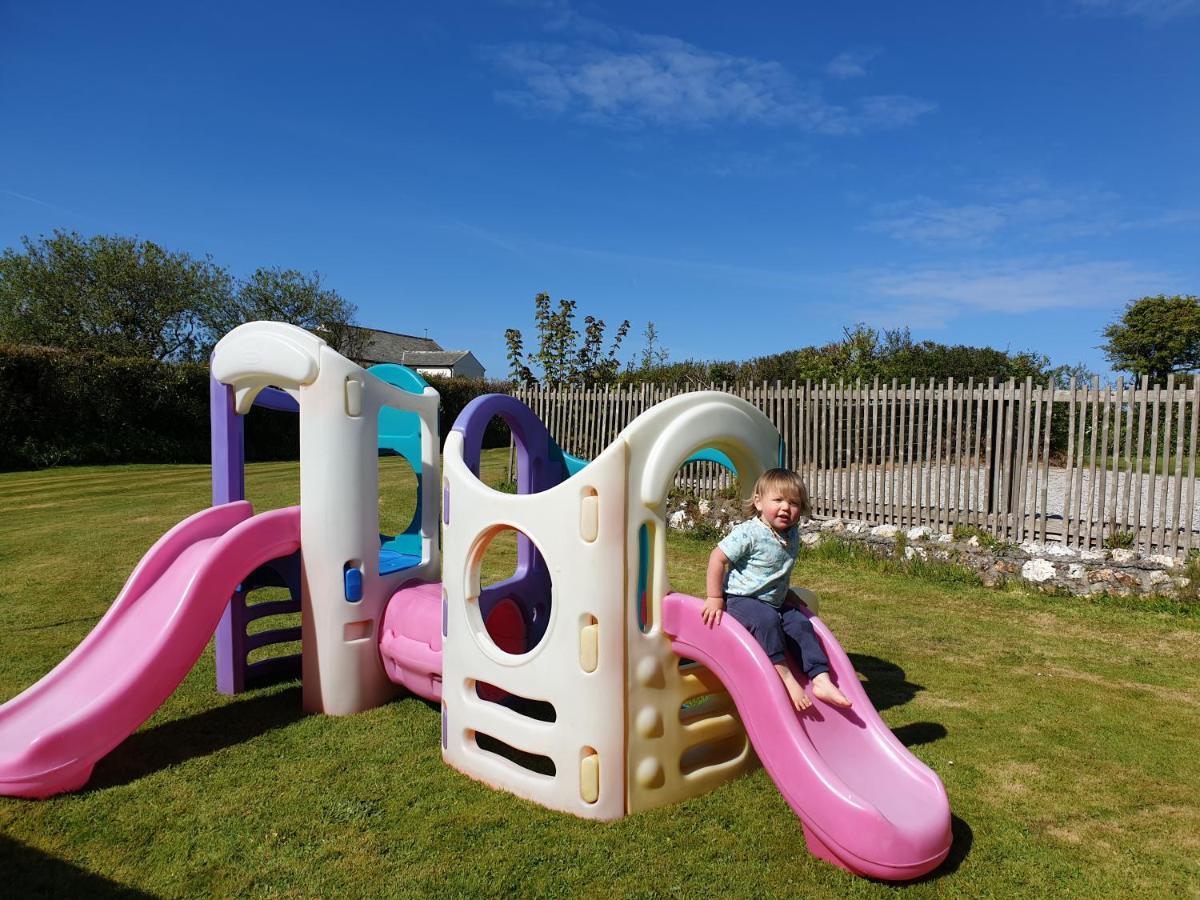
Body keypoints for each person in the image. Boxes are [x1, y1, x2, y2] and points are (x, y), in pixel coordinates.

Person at [702, 467, 852, 712]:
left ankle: (820, 678)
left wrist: (786, 592)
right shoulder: (750, 532)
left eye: (793, 502)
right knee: (767, 620)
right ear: (759, 503)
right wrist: (715, 596)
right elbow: (717, 558)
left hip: (773, 599)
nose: (786, 507)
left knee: (801, 624)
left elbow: (775, 570)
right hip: (742, 599)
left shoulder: (791, 534)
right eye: (778, 500)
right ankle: (786, 677)